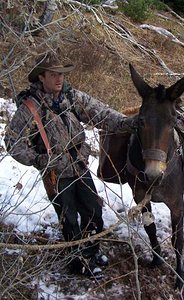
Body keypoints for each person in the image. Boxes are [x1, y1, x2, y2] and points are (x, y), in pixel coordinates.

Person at [4, 52, 136, 279]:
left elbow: (100, 113)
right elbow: (12, 143)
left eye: (62, 74)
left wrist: (126, 123)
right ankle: (78, 262)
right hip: (55, 173)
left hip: (79, 165)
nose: (59, 79)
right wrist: (38, 160)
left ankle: (92, 251)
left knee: (93, 210)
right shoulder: (30, 107)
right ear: (41, 77)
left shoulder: (71, 98)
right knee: (69, 219)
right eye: (54, 74)